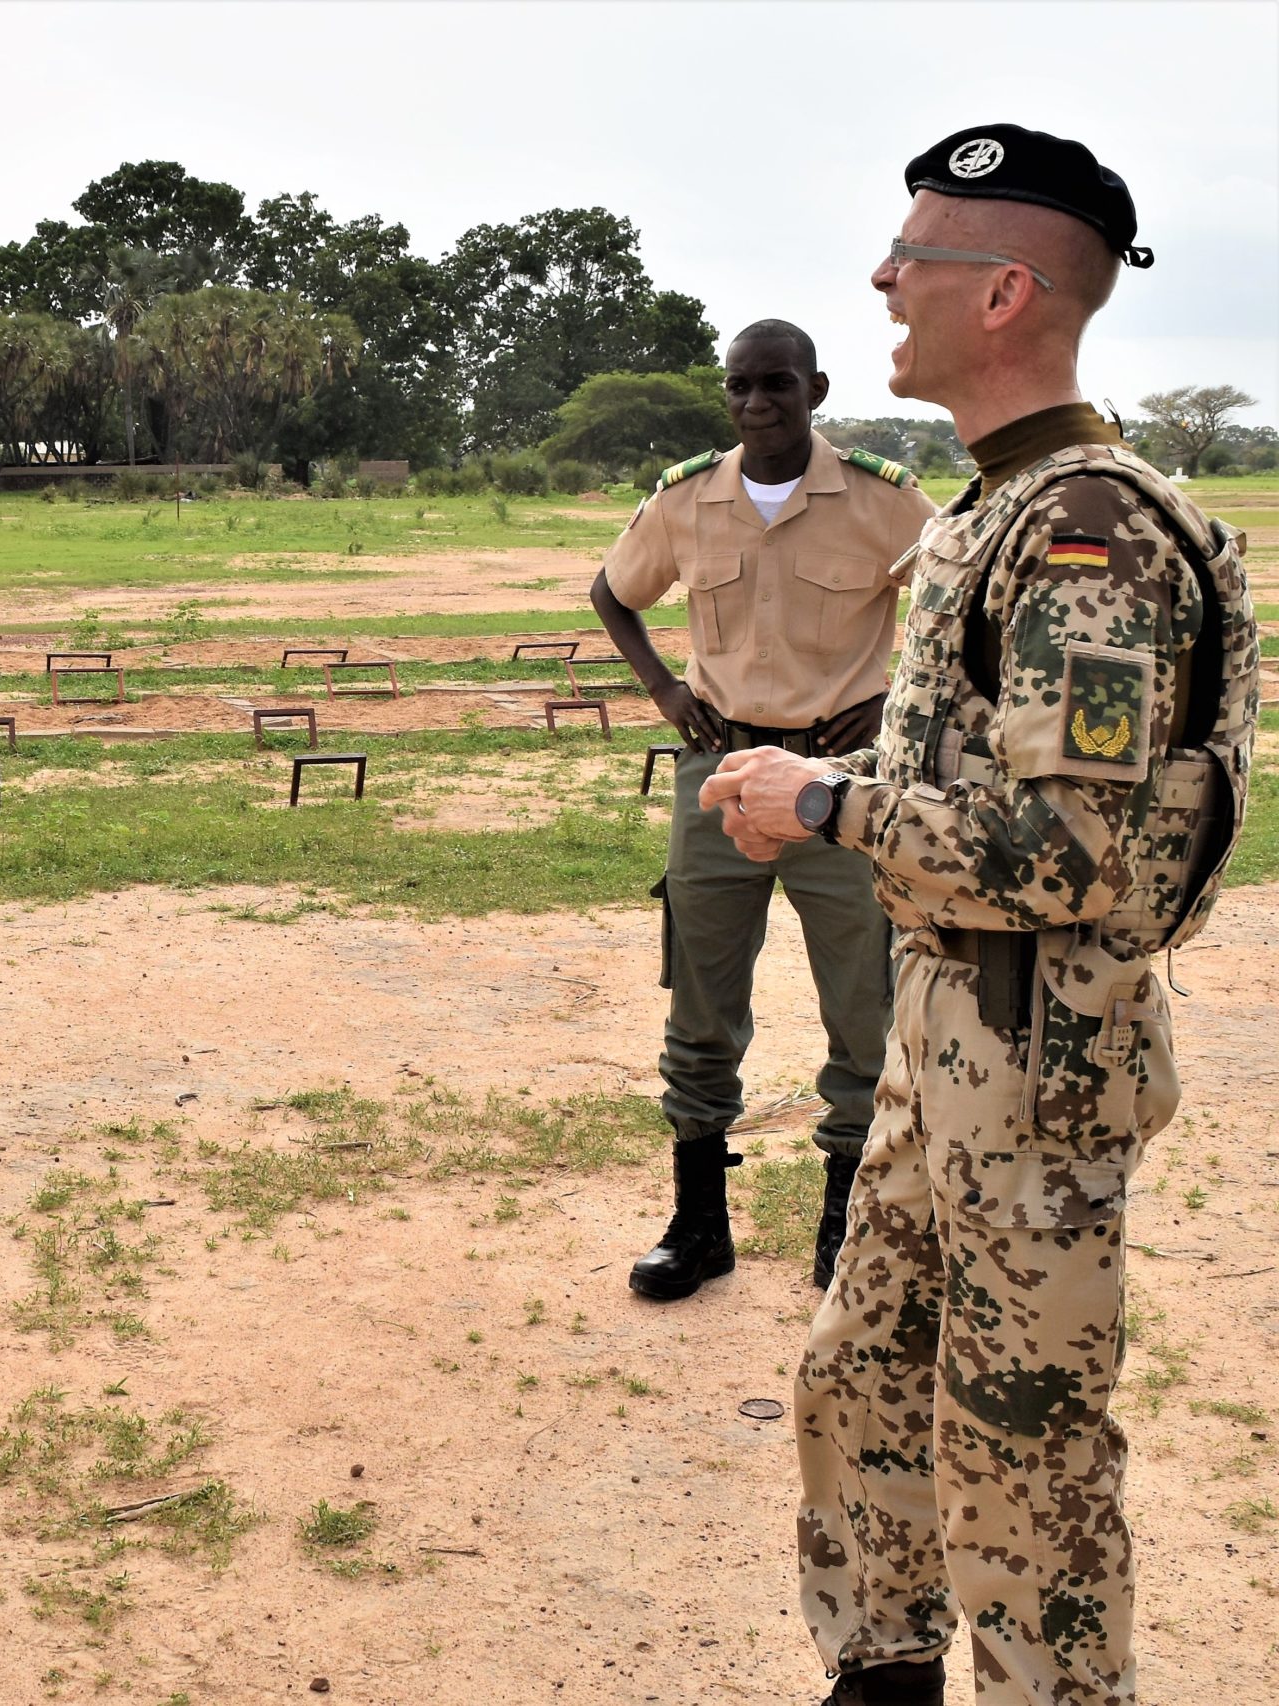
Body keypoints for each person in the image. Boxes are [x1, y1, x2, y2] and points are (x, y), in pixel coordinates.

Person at [702, 126, 1256, 1706]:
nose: (882, 278)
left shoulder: (1093, 530)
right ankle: (883, 1669)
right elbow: (981, 771)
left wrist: (827, 805)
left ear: (1005, 293)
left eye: (915, 256)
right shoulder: (997, 507)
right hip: (948, 1045)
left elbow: (1074, 852)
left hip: (1039, 1068)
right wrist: (837, 782)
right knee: (863, 1370)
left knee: (1027, 1454)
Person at [593, 322, 936, 1302]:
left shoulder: (883, 498)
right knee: (700, 1006)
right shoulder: (687, 498)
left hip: (839, 785)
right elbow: (613, 593)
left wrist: (899, 698)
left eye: (776, 384)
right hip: (721, 776)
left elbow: (964, 607)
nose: (756, 404)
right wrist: (664, 689)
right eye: (739, 386)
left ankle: (844, 1232)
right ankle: (698, 1226)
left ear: (814, 389)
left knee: (864, 1009)